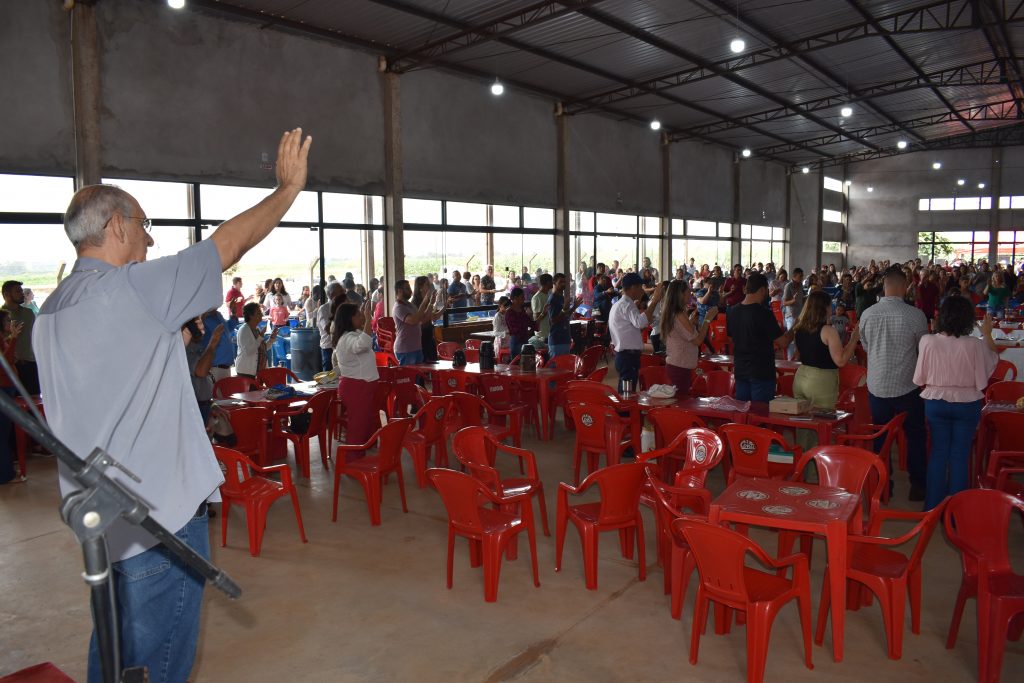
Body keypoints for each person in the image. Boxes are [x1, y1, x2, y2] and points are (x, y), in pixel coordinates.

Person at [33, 127, 311, 683]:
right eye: (143, 226)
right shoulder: (132, 287)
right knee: (157, 663)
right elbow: (227, 245)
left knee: (115, 650)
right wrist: (286, 191)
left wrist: (167, 342)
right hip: (158, 518)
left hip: (101, 522)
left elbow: (106, 378)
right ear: (116, 226)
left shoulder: (53, 309)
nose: (150, 241)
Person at [914, 297, 998, 510]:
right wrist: (987, 334)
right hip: (966, 403)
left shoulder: (927, 341)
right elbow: (991, 362)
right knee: (960, 455)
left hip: (935, 401)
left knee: (938, 452)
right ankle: (956, 513)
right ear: (968, 319)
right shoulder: (974, 344)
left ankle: (932, 507)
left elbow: (920, 377)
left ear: (942, 316)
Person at [858, 266, 929, 501]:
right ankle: (918, 485)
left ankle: (883, 487)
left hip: (878, 386)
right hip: (907, 385)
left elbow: (866, 346)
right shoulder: (916, 315)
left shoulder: (867, 314)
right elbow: (922, 349)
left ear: (885, 286)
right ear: (904, 286)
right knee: (916, 436)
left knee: (881, 437)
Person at [790, 291, 861, 449]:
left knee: (803, 426)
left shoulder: (799, 327)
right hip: (821, 382)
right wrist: (854, 339)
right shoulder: (828, 331)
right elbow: (840, 360)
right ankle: (816, 463)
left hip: (801, 376)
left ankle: (802, 461)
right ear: (826, 308)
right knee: (820, 428)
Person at [728, 274, 791, 403]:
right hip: (761, 372)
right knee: (760, 413)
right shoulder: (764, 314)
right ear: (762, 290)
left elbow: (731, 339)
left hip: (741, 370)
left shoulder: (732, 312)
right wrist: (795, 328)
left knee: (744, 411)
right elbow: (783, 342)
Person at [331, 299, 378, 460]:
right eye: (358, 315)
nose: (361, 317)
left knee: (363, 424)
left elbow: (364, 340)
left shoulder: (354, 333)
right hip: (356, 387)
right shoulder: (347, 338)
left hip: (361, 385)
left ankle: (359, 457)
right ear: (349, 318)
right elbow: (363, 344)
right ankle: (352, 461)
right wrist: (368, 318)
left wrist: (365, 318)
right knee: (357, 426)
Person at [609, 273, 665, 393]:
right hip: (627, 356)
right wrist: (655, 300)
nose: (643, 290)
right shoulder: (627, 305)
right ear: (633, 287)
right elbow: (640, 323)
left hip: (625, 355)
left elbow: (633, 328)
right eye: (641, 287)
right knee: (627, 393)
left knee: (626, 391)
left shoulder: (621, 304)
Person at [660, 279, 716, 396]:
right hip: (679, 367)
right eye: (688, 291)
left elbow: (683, 334)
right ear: (681, 294)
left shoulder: (675, 312)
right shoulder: (679, 314)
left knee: (681, 400)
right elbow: (698, 340)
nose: (690, 294)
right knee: (681, 402)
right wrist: (707, 319)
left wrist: (691, 322)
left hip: (679, 365)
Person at [182, 316, 224, 427]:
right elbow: (201, 371)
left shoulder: (197, 346)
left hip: (204, 406)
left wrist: (212, 405)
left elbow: (204, 381)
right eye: (199, 325)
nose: (203, 331)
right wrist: (213, 343)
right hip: (193, 408)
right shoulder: (184, 349)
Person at [0, 309, 25, 484]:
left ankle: (6, 471)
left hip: (6, 387)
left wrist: (10, 340)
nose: (11, 322)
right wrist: (14, 338)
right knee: (2, 433)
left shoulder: (3, 339)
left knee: (4, 432)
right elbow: (5, 362)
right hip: (3, 388)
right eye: (7, 320)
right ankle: (6, 474)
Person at [1, 280, 38, 395]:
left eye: (22, 291)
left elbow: (35, 335)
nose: (22, 294)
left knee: (34, 398)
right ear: (7, 294)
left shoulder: (29, 313)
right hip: (9, 367)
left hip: (30, 362)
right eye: (18, 291)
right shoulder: (2, 316)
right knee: (13, 401)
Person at [392, 278, 437, 366]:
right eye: (407, 288)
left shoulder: (410, 305)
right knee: (409, 374)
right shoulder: (398, 307)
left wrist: (431, 303)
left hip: (416, 348)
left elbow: (423, 319)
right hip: (405, 349)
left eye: (409, 287)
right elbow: (413, 320)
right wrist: (424, 302)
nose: (410, 290)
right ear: (399, 291)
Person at [237, 301, 277, 378]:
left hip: (258, 371)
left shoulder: (256, 329)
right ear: (251, 316)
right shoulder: (244, 330)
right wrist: (260, 337)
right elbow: (249, 351)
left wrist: (272, 338)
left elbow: (263, 348)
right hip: (246, 372)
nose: (261, 315)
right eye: (258, 313)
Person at [547, 273, 576, 358]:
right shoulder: (552, 299)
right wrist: (563, 310)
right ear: (554, 282)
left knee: (564, 365)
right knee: (556, 366)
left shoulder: (561, 298)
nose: (563, 284)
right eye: (560, 282)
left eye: (564, 282)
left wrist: (574, 307)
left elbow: (565, 315)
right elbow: (553, 321)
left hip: (565, 338)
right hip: (557, 340)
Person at [201, 308, 234, 382]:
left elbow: (227, 328)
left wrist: (233, 313)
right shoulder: (203, 317)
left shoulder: (218, 314)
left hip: (226, 367)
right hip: (214, 368)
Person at [316, 282, 343, 371]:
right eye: (341, 292)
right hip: (329, 348)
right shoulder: (324, 309)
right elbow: (328, 329)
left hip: (343, 346)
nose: (344, 294)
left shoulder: (344, 307)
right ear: (332, 295)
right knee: (329, 375)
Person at [505, 287, 535, 359]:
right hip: (516, 341)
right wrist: (527, 331)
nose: (524, 299)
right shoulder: (509, 313)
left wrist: (541, 315)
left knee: (528, 362)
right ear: (515, 298)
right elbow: (515, 329)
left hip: (524, 340)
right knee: (519, 363)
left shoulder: (522, 311)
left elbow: (530, 322)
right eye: (522, 297)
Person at [531, 273, 553, 344]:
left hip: (550, 332)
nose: (553, 283)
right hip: (542, 335)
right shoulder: (537, 297)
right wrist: (544, 312)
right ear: (548, 282)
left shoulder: (548, 295)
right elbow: (536, 319)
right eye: (552, 281)